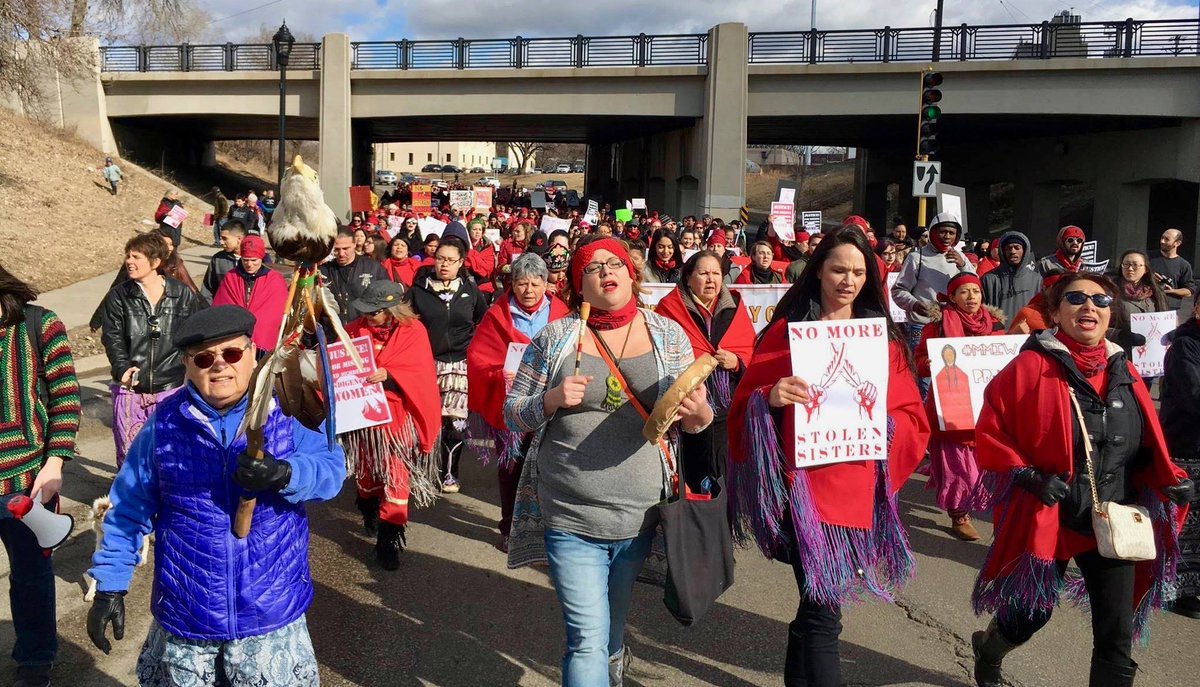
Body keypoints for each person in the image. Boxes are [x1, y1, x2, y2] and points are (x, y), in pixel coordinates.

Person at [86, 305, 345, 686]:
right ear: (188, 366)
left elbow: (331, 471)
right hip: (189, 617)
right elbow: (127, 510)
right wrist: (110, 584)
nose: (219, 366)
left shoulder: (288, 409)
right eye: (204, 358)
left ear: (253, 353)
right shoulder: (164, 426)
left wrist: (284, 473)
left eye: (232, 354)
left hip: (269, 615)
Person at [503, 236, 711, 686]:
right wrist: (552, 399)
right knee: (585, 638)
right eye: (591, 267)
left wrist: (700, 416)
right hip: (570, 513)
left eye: (612, 262)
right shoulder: (557, 338)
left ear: (630, 273)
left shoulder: (667, 334)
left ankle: (614, 662)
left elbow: (696, 418)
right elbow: (512, 411)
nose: (604, 271)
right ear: (579, 285)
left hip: (639, 517)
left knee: (612, 627)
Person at [727, 228, 929, 687]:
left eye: (859, 272)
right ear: (818, 270)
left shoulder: (884, 339)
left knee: (817, 609)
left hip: (859, 493)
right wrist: (769, 398)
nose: (848, 280)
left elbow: (913, 419)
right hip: (802, 494)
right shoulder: (785, 332)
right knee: (823, 612)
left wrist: (883, 421)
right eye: (839, 269)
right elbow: (743, 408)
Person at [970, 272, 1192, 687]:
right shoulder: (1029, 366)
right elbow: (992, 429)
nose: (1089, 307)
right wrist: (1028, 475)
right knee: (1029, 614)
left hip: (1113, 517)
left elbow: (1144, 448)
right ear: (1054, 313)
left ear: (1112, 314)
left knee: (1116, 635)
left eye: (1101, 301)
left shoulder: (1124, 371)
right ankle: (991, 646)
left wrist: (1169, 481)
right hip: (1052, 517)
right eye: (1076, 299)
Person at [0, 264, 80, 687]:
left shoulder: (38, 323)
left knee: (30, 576)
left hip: (27, 480)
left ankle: (35, 658)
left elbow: (66, 396)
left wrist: (55, 463)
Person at [466, 254, 569, 551]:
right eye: (522, 283)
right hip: (510, 404)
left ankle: (547, 527)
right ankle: (510, 526)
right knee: (511, 468)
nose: (528, 290)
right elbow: (478, 356)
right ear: (512, 284)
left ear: (545, 284)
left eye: (535, 284)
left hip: (551, 404)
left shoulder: (561, 312)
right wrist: (500, 374)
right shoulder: (497, 314)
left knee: (549, 468)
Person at [342, 281, 442, 570]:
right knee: (368, 474)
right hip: (364, 420)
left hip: (398, 420)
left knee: (397, 480)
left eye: (373, 313)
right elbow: (337, 367)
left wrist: (390, 374)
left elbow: (420, 374)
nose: (368, 317)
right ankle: (369, 511)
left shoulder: (413, 333)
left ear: (390, 311)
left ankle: (389, 541)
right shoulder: (352, 331)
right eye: (366, 312)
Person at [914, 272, 1007, 541]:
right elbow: (919, 361)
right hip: (950, 409)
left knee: (983, 467)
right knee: (960, 468)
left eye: (975, 292)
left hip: (986, 409)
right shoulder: (939, 325)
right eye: (963, 292)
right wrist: (926, 364)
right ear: (952, 297)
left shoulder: (996, 325)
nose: (971, 297)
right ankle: (959, 515)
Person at [654, 250, 755, 491]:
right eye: (703, 273)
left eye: (716, 273)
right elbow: (658, 357)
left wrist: (737, 363)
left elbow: (750, 356)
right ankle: (692, 520)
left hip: (726, 410)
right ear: (688, 278)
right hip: (686, 410)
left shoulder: (735, 309)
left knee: (724, 478)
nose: (711, 279)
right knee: (692, 477)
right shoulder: (669, 310)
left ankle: (723, 522)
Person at [99, 233, 201, 468]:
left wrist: (191, 372)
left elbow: (192, 338)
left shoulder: (181, 294)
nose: (129, 261)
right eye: (127, 256)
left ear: (155, 262)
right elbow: (112, 336)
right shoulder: (119, 296)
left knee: (170, 454)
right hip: (131, 391)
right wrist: (122, 367)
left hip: (171, 389)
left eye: (136, 256)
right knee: (130, 456)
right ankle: (132, 500)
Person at [408, 227, 488, 494]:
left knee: (455, 422)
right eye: (440, 258)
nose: (444, 264)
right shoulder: (418, 290)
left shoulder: (469, 290)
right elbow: (406, 323)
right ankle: (420, 469)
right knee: (428, 421)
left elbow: (481, 320)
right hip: (426, 363)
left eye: (450, 260)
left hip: (459, 365)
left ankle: (450, 473)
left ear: (461, 262)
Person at [891, 213, 973, 394]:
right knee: (925, 383)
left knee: (952, 384)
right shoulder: (916, 258)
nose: (947, 237)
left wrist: (964, 266)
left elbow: (973, 288)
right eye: (942, 232)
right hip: (922, 327)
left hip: (954, 328)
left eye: (951, 233)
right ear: (933, 232)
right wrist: (915, 304)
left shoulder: (961, 258)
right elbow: (898, 290)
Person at [1160, 296, 1200, 618]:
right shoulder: (1185, 346)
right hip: (1187, 447)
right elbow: (1193, 395)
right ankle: (1175, 589)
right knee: (1184, 524)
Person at [211, 235, 288, 353]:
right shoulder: (231, 276)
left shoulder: (275, 279)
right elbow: (221, 308)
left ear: (261, 258)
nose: (249, 264)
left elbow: (277, 312)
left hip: (263, 342)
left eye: (254, 260)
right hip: (235, 338)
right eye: (245, 260)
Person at [320, 229, 392, 323]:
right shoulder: (323, 271)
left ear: (354, 244)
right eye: (337, 249)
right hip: (334, 331)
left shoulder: (373, 268)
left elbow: (388, 298)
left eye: (346, 248)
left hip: (363, 328)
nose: (341, 254)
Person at [979, 231, 1039, 325]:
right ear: (1002, 251)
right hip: (998, 336)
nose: (1013, 251)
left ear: (1025, 250)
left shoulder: (1037, 280)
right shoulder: (989, 279)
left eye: (1017, 247)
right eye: (1008, 248)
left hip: (1029, 336)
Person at [1150, 228, 1195, 314]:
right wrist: (1150, 278)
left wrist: (1172, 291)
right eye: (1162, 237)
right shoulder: (1148, 257)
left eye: (1167, 239)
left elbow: (1189, 290)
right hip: (1147, 305)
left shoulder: (1184, 265)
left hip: (1169, 310)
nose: (1162, 241)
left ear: (1177, 243)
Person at [201, 221, 244, 303]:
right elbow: (207, 289)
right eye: (220, 238)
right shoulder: (218, 259)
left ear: (239, 239)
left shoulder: (255, 261)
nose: (221, 242)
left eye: (225, 238)